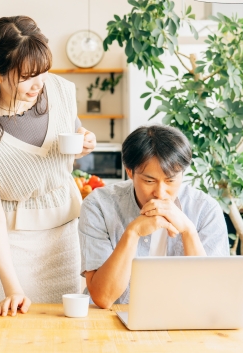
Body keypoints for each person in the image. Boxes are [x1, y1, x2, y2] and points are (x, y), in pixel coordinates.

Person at [0, 16, 96, 317]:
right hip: (13, 247)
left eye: (43, 72)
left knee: (69, 332)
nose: (39, 84)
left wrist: (85, 140)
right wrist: (12, 288)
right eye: (27, 77)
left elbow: (70, 139)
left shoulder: (58, 89)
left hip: (68, 234)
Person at [79, 124, 229, 308]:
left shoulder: (206, 209)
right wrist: (132, 233)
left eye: (171, 180)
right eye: (149, 181)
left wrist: (189, 232)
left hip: (183, 322)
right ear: (129, 171)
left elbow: (211, 297)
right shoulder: (99, 205)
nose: (160, 193)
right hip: (113, 323)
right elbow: (103, 297)